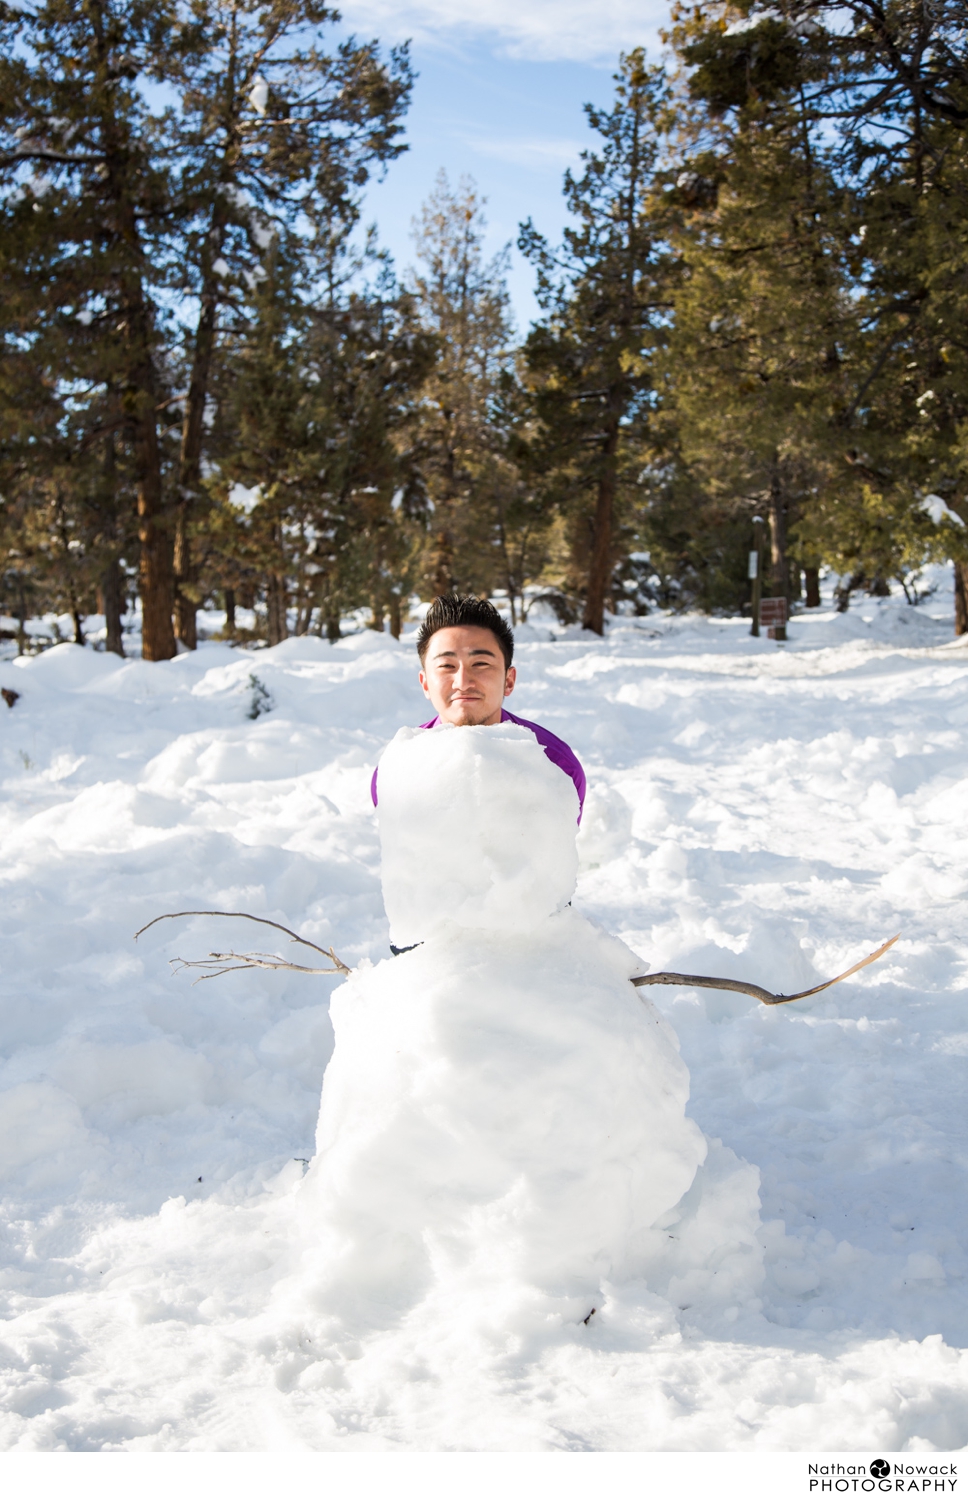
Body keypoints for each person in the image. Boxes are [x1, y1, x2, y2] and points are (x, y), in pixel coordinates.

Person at [370, 593, 586, 819]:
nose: (463, 682)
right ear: (425, 684)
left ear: (508, 680)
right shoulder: (397, 768)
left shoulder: (555, 765)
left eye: (481, 663)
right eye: (446, 665)